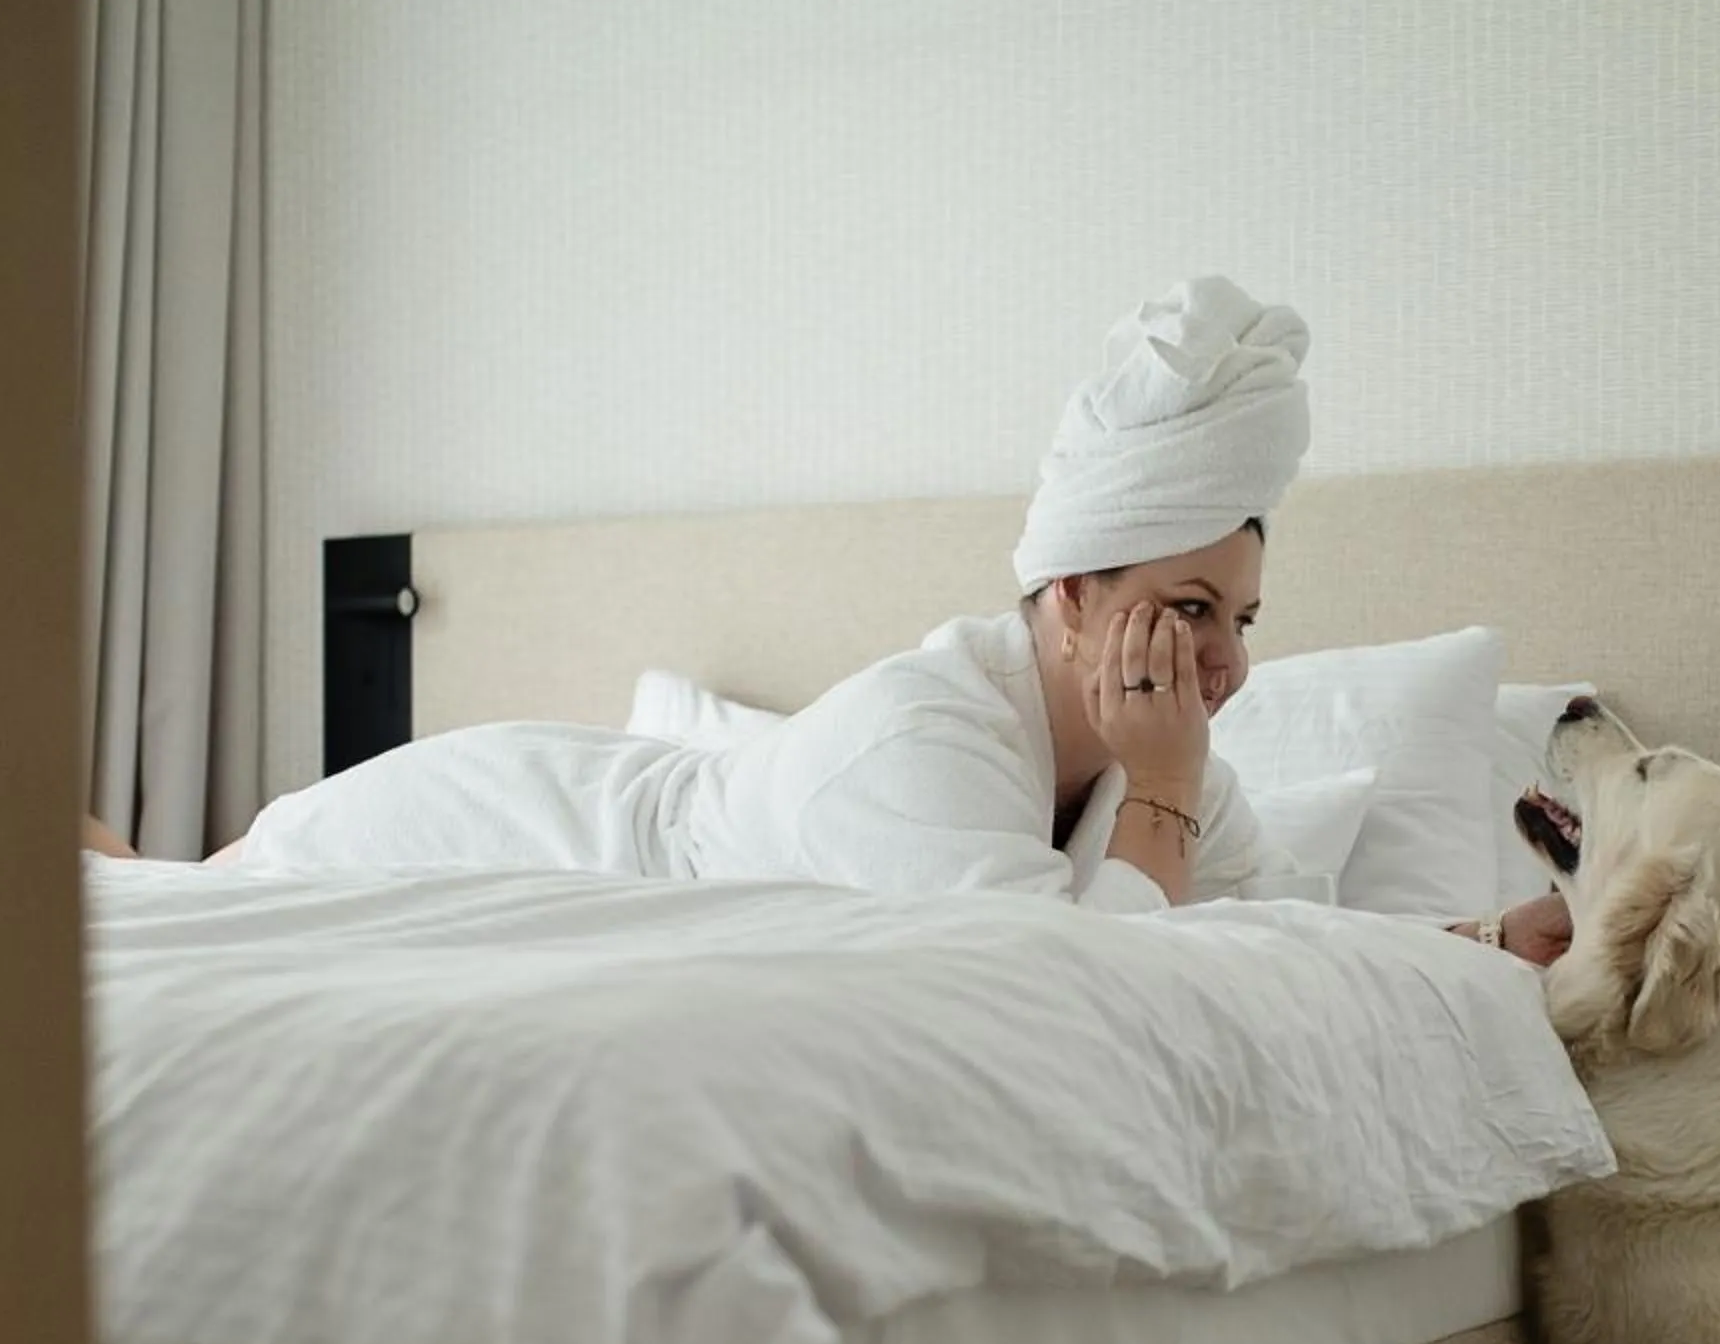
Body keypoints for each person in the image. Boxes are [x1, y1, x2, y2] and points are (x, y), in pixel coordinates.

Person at [196, 276, 1569, 958]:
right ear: (1073, 595)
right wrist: (1161, 788)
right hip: (537, 832)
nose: (1224, 664)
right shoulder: (926, 739)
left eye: (1246, 622)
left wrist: (1476, 950)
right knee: (214, 886)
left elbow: (1287, 935)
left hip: (619, 825)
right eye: (1189, 610)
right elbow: (1086, 998)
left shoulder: (1171, 772)